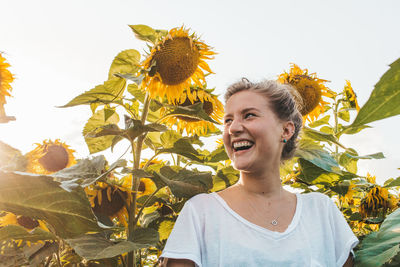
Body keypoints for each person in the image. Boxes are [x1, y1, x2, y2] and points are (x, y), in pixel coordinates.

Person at [160, 79, 359, 267]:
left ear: (286, 130)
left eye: (249, 115)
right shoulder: (201, 213)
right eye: (228, 120)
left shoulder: (321, 211)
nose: (233, 128)